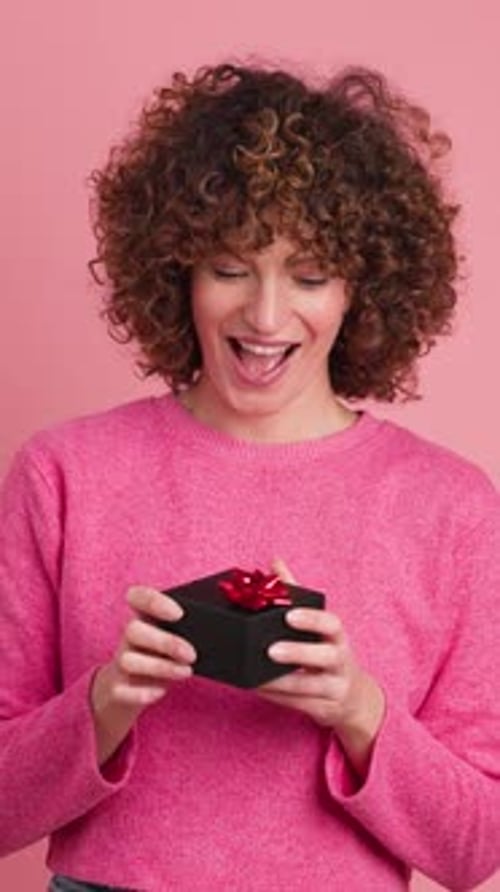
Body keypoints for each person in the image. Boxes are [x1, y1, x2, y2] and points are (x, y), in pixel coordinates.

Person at [0, 60, 499, 892]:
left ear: (361, 290)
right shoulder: (64, 473)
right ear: (177, 270)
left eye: (308, 276)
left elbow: (475, 847)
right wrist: (107, 700)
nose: (266, 319)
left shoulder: (451, 508)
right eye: (230, 267)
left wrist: (357, 710)